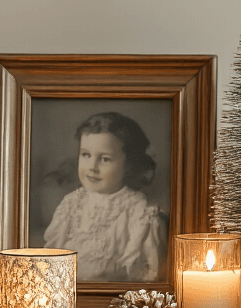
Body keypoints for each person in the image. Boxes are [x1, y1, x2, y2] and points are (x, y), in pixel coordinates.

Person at [43, 111, 166, 280]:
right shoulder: (71, 204)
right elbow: (52, 262)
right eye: (86, 155)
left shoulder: (140, 212)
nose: (92, 166)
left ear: (129, 163)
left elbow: (146, 275)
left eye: (105, 159)